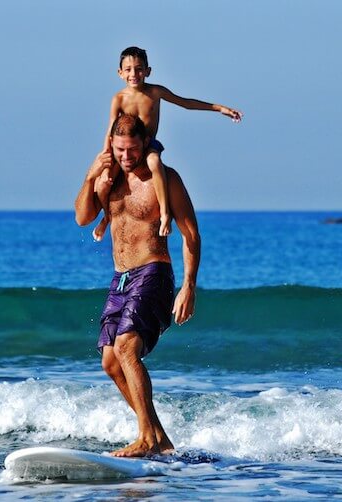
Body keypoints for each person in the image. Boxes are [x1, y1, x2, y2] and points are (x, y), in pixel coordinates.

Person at [75, 114, 201, 457]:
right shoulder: (109, 179)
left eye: (131, 149)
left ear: (145, 144)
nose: (126, 157)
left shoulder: (165, 180)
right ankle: (159, 440)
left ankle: (145, 438)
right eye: (119, 150)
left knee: (127, 347)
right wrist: (90, 177)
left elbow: (191, 233)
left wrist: (189, 285)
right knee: (111, 362)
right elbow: (83, 217)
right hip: (121, 278)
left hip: (154, 271)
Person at [91, 46, 241, 242]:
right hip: (126, 148)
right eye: (128, 69)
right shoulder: (118, 98)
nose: (133, 74)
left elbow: (186, 103)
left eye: (138, 68)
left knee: (154, 163)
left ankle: (164, 214)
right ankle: (106, 217)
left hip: (149, 145)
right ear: (120, 73)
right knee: (103, 182)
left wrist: (219, 108)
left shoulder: (156, 92)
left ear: (148, 71)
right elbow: (111, 128)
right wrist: (106, 154)